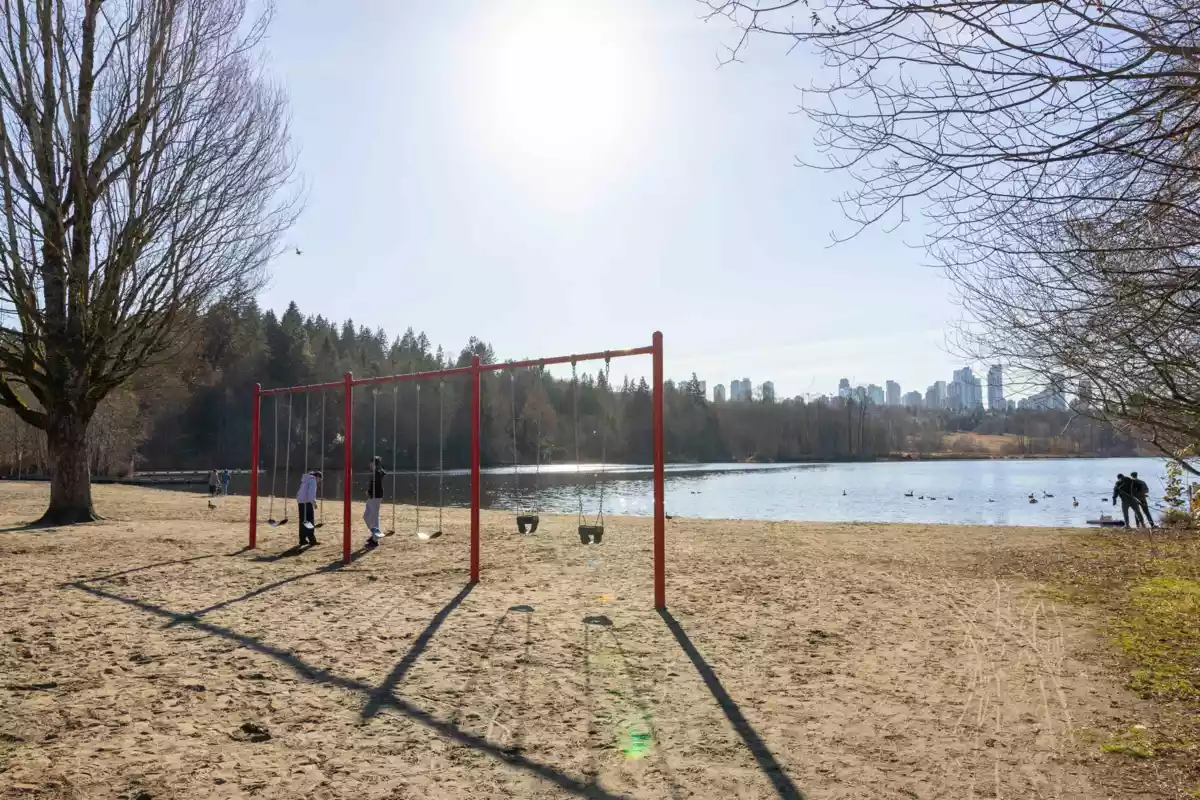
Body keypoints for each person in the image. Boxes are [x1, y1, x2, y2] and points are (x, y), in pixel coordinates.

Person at [364, 456, 386, 548]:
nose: (370, 464)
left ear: (374, 463)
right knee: (366, 516)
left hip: (375, 497)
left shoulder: (377, 472)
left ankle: (375, 539)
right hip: (373, 497)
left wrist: (369, 492)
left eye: (371, 462)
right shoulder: (376, 472)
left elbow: (376, 482)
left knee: (374, 517)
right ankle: (374, 534)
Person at [296, 470, 322, 546]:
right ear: (317, 477)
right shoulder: (313, 480)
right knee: (309, 521)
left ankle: (302, 539)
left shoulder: (306, 480)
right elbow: (311, 494)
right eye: (320, 479)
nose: (319, 481)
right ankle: (312, 540)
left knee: (303, 521)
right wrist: (314, 503)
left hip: (301, 502)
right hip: (307, 503)